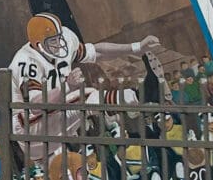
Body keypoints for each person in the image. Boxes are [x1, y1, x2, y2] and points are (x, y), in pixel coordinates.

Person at [9, 12, 160, 168]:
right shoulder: (26, 61)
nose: (60, 44)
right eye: (53, 41)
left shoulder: (65, 38)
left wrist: (136, 47)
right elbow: (36, 106)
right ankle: (138, 95)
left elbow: (96, 52)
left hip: (52, 134)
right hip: (29, 129)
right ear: (39, 45)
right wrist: (67, 86)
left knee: (68, 171)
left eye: (59, 37)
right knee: (86, 96)